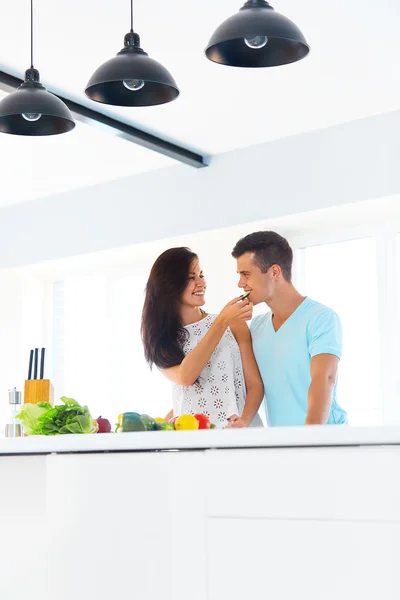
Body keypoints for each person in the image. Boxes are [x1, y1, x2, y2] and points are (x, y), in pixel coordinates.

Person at [231, 231, 347, 426]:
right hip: (284, 444)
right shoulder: (256, 327)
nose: (240, 283)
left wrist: (308, 439)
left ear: (274, 272)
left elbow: (325, 378)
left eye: (246, 274)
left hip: (326, 440)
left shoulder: (321, 318)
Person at [141, 247, 264, 428]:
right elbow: (186, 377)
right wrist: (221, 321)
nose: (201, 283)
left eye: (201, 275)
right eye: (191, 278)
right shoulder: (162, 342)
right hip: (194, 440)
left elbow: (254, 384)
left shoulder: (234, 324)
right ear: (170, 285)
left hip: (240, 434)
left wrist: (244, 420)